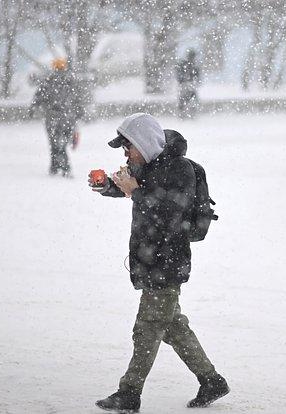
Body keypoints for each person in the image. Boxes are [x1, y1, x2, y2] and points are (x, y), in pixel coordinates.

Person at [90, 113, 229, 413]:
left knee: (147, 327)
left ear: (144, 142)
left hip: (168, 262)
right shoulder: (145, 165)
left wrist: (134, 191)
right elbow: (133, 188)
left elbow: (169, 213)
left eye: (129, 146)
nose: (126, 153)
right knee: (172, 326)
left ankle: (129, 393)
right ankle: (211, 380)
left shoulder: (179, 170)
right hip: (149, 259)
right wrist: (109, 186)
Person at [29, 58, 85, 177]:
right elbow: (78, 101)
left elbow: (38, 98)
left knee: (54, 144)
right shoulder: (71, 82)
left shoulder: (48, 82)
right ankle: (58, 167)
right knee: (62, 144)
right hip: (68, 119)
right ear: (64, 67)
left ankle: (61, 167)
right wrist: (79, 113)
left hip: (52, 119)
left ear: (54, 67)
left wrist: (33, 109)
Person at [175, 49, 201, 118]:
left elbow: (179, 73)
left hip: (187, 83)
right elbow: (197, 75)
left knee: (185, 98)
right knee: (189, 98)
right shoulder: (191, 65)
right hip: (189, 83)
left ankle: (184, 113)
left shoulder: (184, 64)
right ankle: (188, 113)